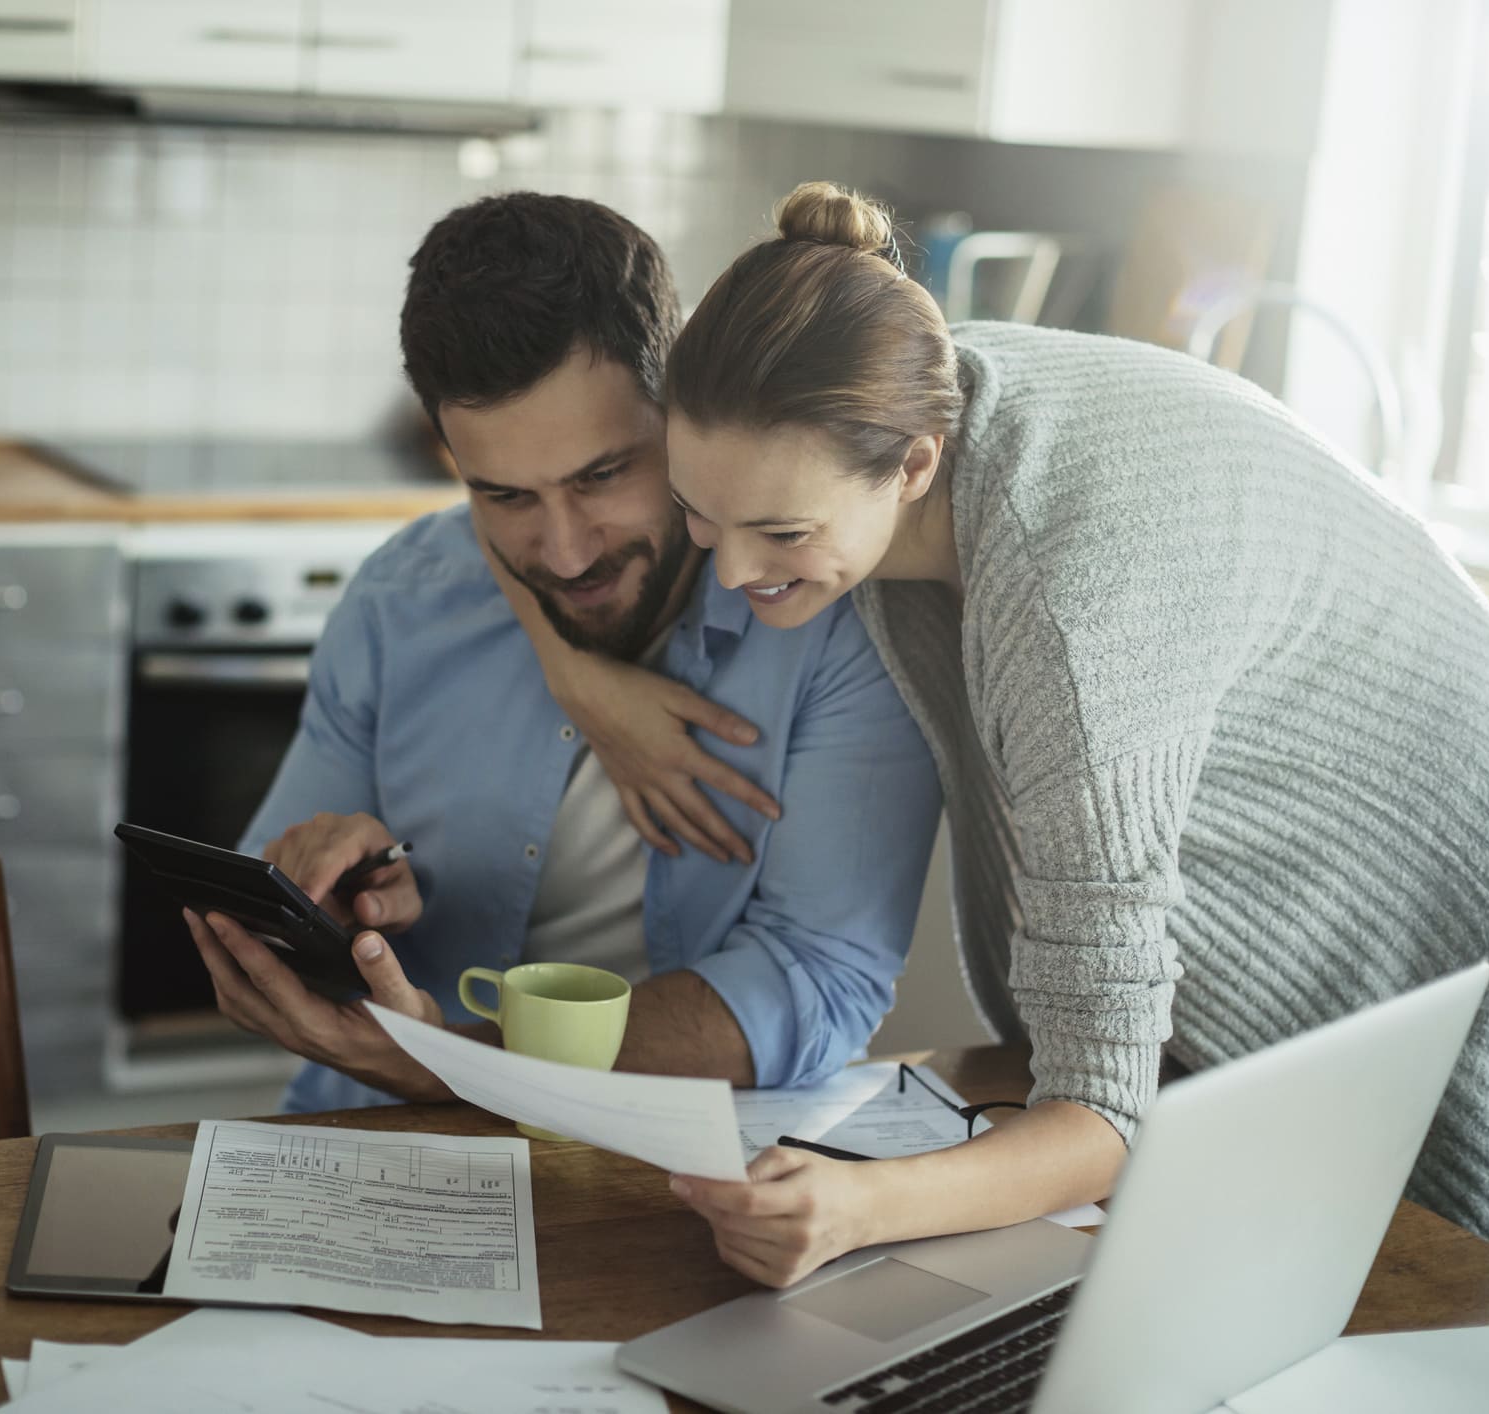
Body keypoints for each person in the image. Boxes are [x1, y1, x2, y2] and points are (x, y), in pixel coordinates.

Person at [496, 180, 1489, 1284]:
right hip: (1332, 785)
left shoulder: (1075, 606)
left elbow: (1103, 1115)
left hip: (1458, 834)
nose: (729, 573)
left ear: (915, 467)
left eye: (780, 532)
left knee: (1447, 1283)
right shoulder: (881, 386)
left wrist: (859, 1205)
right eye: (698, 516)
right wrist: (576, 672)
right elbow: (494, 484)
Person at [179, 192, 942, 1114]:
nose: (568, 552)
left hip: (664, 1163)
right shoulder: (403, 603)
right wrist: (326, 918)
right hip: (378, 1134)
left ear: (682, 408)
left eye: (603, 475)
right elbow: (262, 926)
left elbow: (820, 982)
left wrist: (471, 1061)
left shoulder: (829, 624)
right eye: (504, 496)